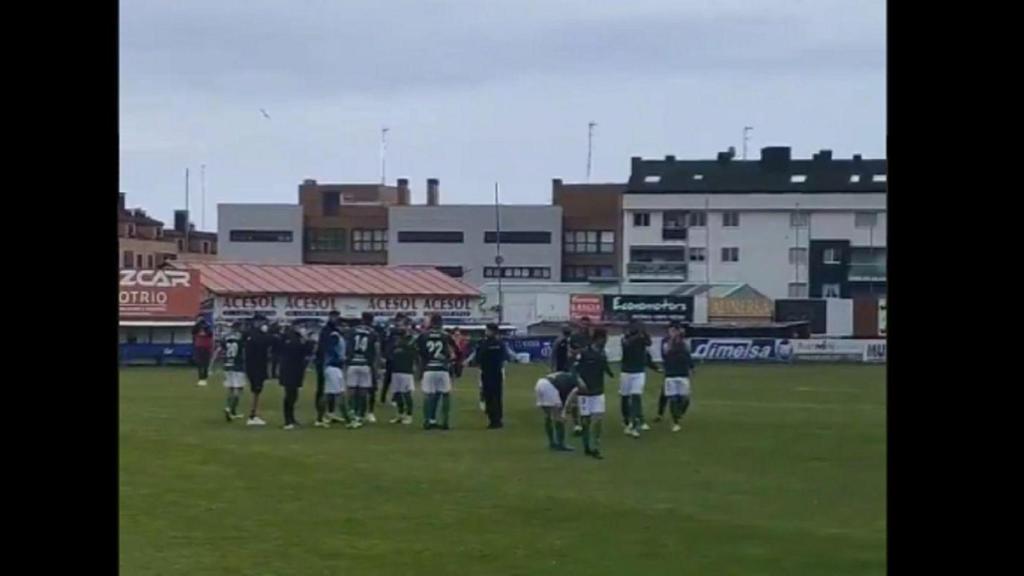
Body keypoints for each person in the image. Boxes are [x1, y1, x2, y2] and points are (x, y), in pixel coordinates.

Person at [467, 323, 517, 429]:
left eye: (487, 330)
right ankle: (498, 418)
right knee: (497, 396)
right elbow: (506, 357)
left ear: (491, 331)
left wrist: (474, 363)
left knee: (489, 396)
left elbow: (478, 357)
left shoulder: (484, 343)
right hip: (497, 372)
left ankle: (492, 419)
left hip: (487, 372)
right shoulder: (500, 343)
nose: (486, 332)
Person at [573, 327, 613, 459]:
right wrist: (580, 382)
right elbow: (574, 370)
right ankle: (586, 447)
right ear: (598, 339)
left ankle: (595, 445)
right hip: (585, 392)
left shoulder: (603, 354)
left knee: (598, 419)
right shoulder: (584, 353)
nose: (606, 341)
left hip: (598, 391)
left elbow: (605, 367)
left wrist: (610, 373)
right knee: (586, 420)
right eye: (605, 339)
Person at [416, 313, 456, 430]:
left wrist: (421, 366)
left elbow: (418, 351)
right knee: (445, 394)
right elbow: (454, 352)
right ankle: (445, 421)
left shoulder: (423, 335)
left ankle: (427, 420)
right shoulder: (445, 335)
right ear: (441, 322)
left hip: (429, 368)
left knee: (429, 395)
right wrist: (448, 359)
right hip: (442, 368)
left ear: (431, 322)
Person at [619, 320, 657, 438]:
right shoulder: (625, 338)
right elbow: (626, 344)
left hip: (639, 372)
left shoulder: (642, 338)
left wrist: (644, 334)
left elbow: (649, 343)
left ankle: (634, 424)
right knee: (625, 398)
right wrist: (638, 335)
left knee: (636, 396)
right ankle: (626, 420)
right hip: (626, 372)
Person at [278, 323, 315, 430]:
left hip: (297, 369)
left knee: (294, 395)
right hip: (288, 369)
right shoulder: (289, 337)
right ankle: (287, 420)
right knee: (289, 394)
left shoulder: (301, 338)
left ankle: (292, 418)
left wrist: (307, 340)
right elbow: (293, 349)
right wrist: (305, 341)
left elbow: (307, 351)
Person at [660, 322, 695, 432]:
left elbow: (688, 356)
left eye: (674, 331)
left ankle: (678, 414)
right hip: (671, 374)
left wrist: (691, 367)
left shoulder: (684, 344)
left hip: (682, 374)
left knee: (685, 399)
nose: (672, 333)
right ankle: (675, 422)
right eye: (671, 331)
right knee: (673, 398)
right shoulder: (666, 343)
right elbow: (665, 355)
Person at [534, 371, 583, 451]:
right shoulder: (573, 382)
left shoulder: (565, 375)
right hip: (550, 386)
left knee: (547, 416)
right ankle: (561, 444)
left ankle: (552, 442)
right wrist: (563, 412)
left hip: (540, 383)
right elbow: (565, 398)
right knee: (559, 417)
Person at [346, 312, 380, 426]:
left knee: (351, 389)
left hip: (353, 362)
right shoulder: (373, 333)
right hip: (365, 364)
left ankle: (352, 411)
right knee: (363, 391)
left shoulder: (352, 330)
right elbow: (376, 350)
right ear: (371, 320)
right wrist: (376, 366)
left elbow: (348, 346)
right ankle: (360, 414)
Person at [243, 316, 275, 426]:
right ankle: (253, 415)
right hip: (256, 366)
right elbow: (269, 341)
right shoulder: (257, 335)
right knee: (256, 391)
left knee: (257, 391)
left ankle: (255, 413)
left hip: (253, 365)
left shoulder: (249, 334)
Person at [320, 316, 349, 428]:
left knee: (330, 394)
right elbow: (329, 349)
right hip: (333, 367)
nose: (346, 328)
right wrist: (339, 358)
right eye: (344, 325)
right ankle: (348, 420)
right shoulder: (334, 336)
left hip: (335, 368)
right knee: (339, 394)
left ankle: (321, 418)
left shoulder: (339, 336)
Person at [313, 311, 341, 427]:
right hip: (325, 363)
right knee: (323, 389)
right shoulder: (326, 331)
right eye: (334, 317)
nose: (336, 319)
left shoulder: (335, 330)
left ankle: (330, 412)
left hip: (333, 363)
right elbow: (323, 348)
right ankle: (320, 416)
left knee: (332, 389)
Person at [216, 322, 247, 422]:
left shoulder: (225, 337)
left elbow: (222, 348)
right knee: (238, 389)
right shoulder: (241, 337)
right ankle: (229, 408)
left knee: (230, 388)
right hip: (237, 365)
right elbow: (243, 350)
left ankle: (232, 411)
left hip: (227, 364)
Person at [387, 324, 416, 424]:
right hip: (396, 371)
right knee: (397, 393)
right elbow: (389, 355)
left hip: (406, 371)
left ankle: (409, 415)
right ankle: (400, 414)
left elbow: (414, 355)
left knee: (407, 394)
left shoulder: (410, 343)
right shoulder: (394, 344)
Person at [191, 316, 214, 387]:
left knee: (205, 363)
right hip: (199, 347)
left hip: (206, 347)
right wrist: (197, 325)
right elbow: (193, 332)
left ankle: (204, 377)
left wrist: (205, 327)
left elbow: (210, 334)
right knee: (199, 363)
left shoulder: (207, 326)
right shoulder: (196, 328)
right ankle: (201, 378)